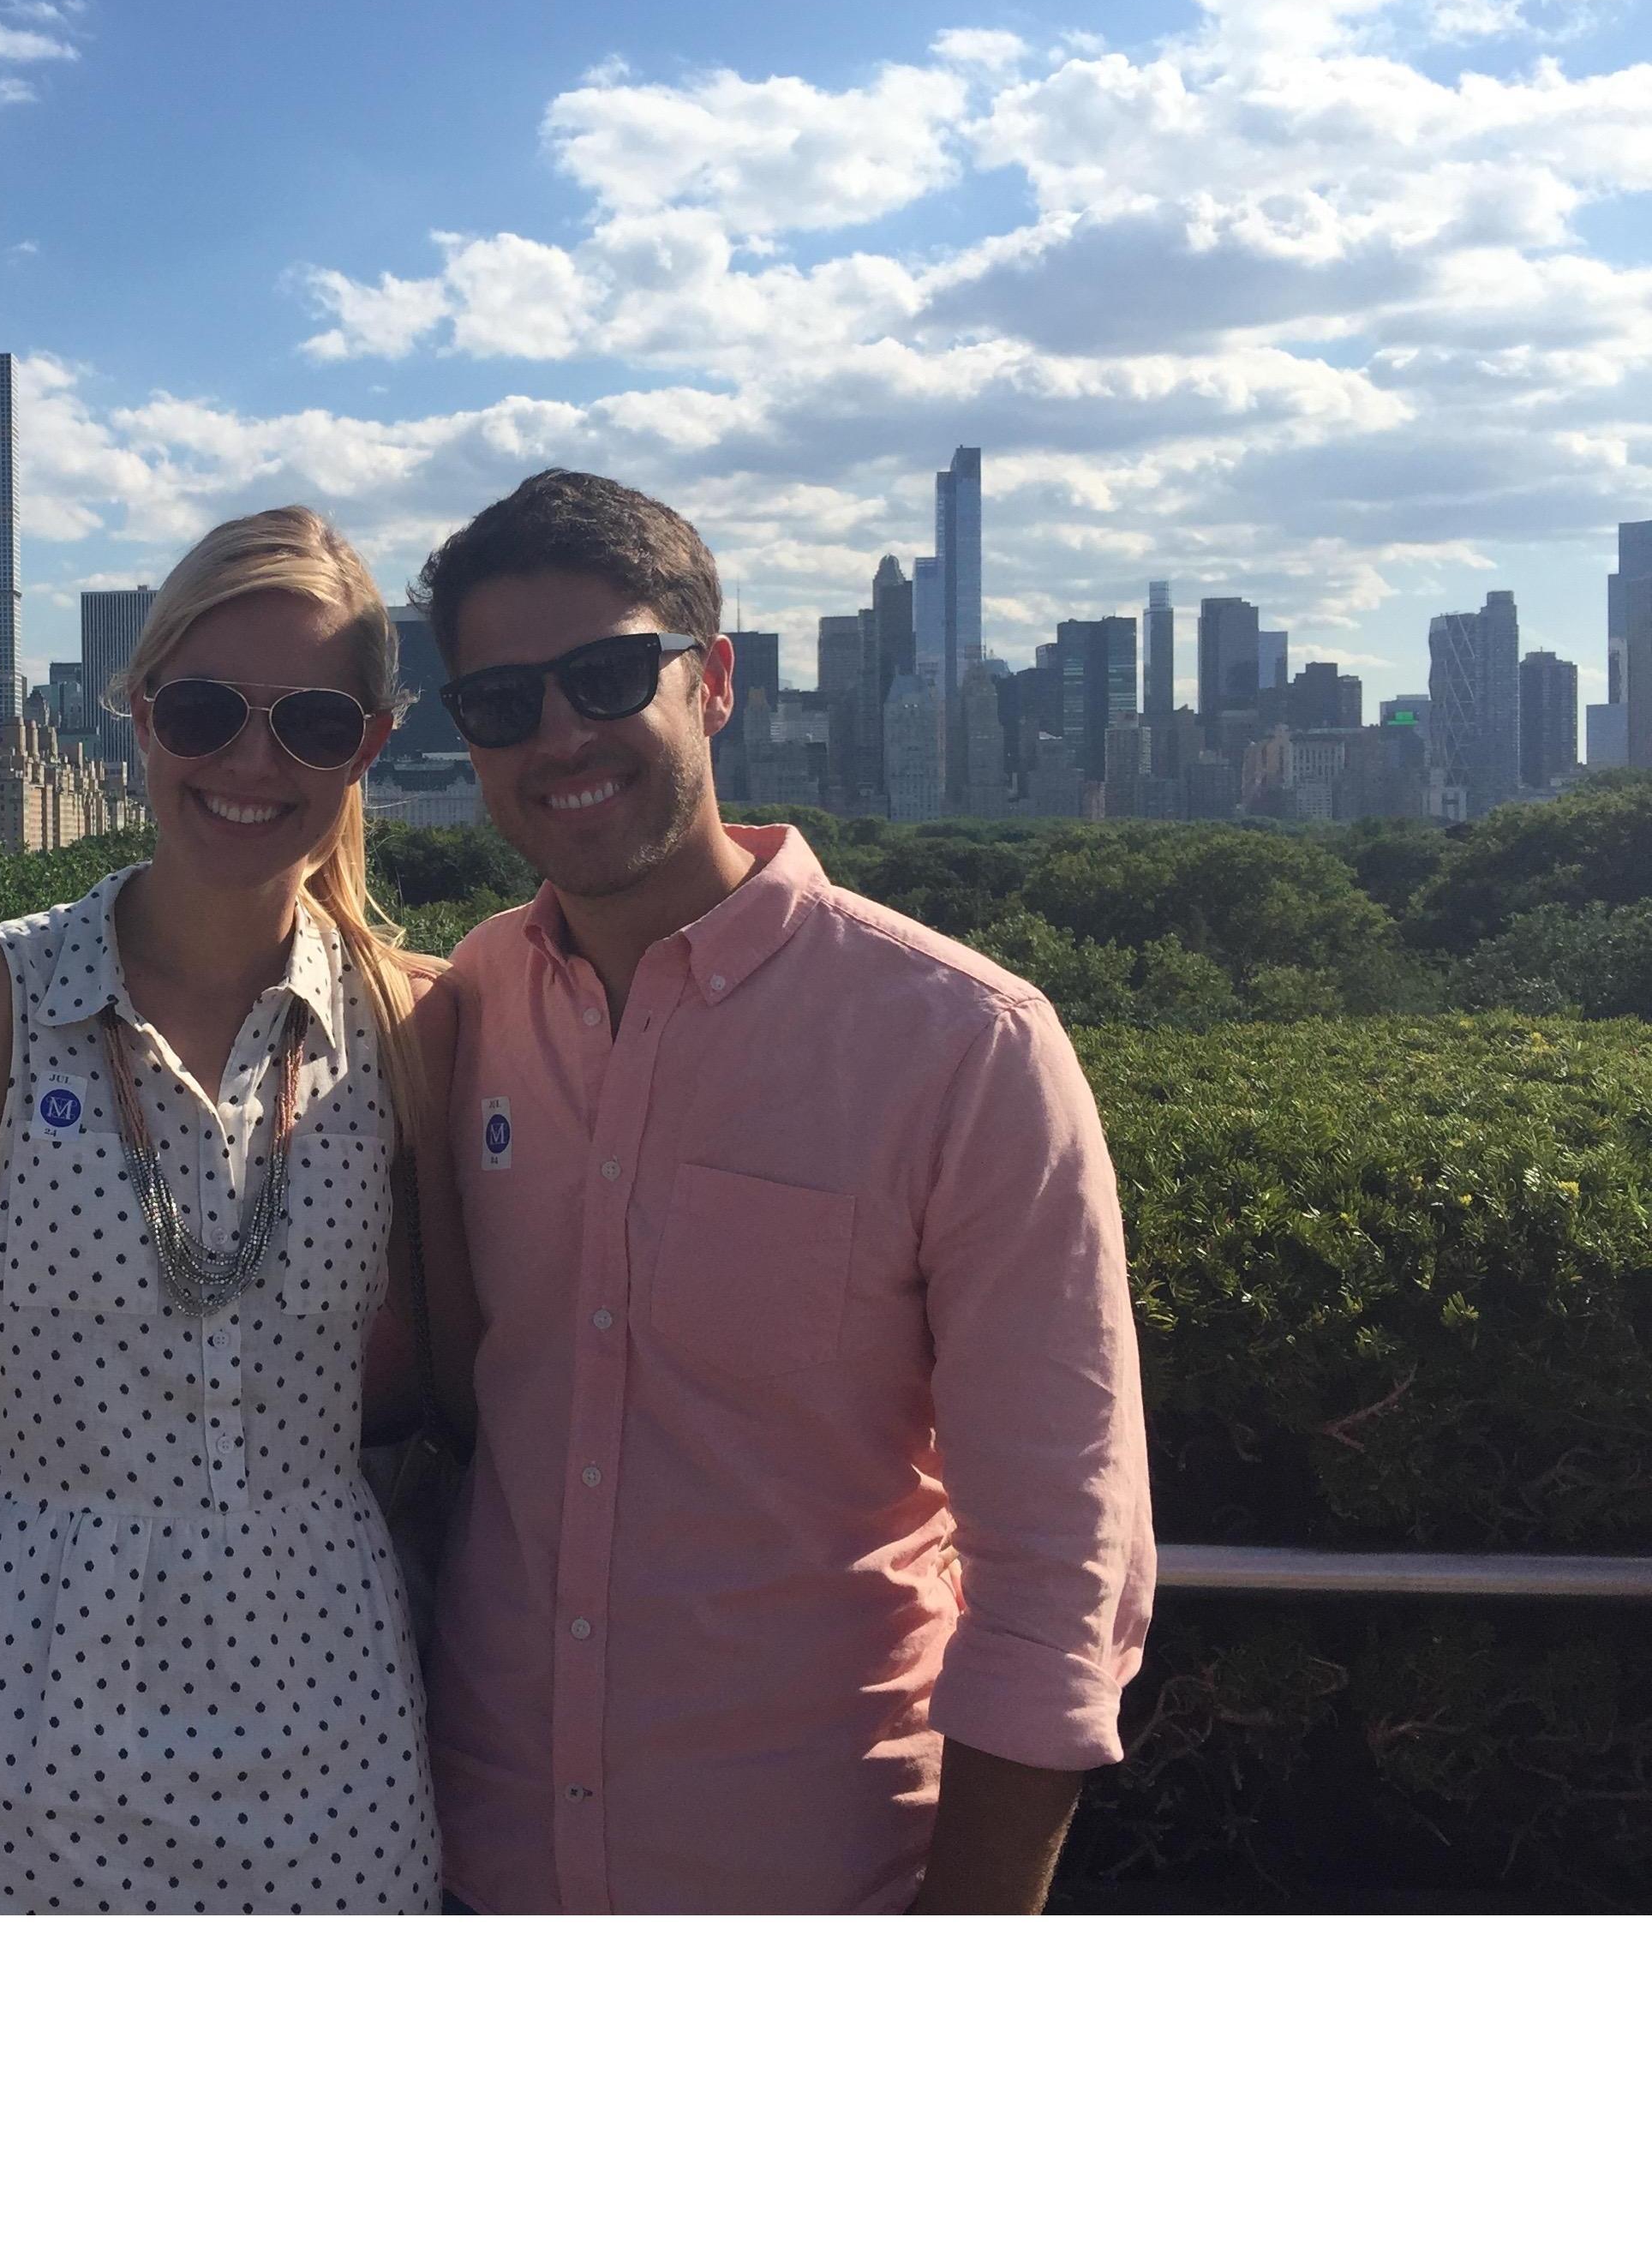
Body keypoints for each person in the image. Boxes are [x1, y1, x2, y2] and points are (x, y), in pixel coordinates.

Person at [415, 467, 1154, 1914]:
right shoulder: (471, 1005)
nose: (558, 733)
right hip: (477, 1863)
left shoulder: (965, 1044)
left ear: (717, 682)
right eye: (502, 702)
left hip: (822, 1879)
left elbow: (1065, 1574)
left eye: (610, 674)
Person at [0, 506, 472, 1913]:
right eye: (206, 709)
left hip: (328, 1761)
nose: (249, 762)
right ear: (137, 714)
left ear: (373, 746)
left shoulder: (413, 1026)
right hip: (8, 1744)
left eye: (312, 725)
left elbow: (453, 1400)